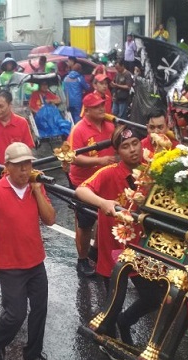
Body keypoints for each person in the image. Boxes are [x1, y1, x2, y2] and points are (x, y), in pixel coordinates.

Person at [75, 126, 166, 360]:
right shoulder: (108, 173)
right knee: (113, 302)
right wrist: (102, 201)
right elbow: (81, 190)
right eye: (125, 146)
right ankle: (109, 340)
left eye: (135, 143)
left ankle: (126, 322)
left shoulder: (152, 171)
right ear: (118, 151)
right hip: (114, 249)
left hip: (143, 247)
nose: (132, 149)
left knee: (155, 296)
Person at [0, 142, 56, 360]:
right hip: (9, 265)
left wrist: (38, 191)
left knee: (40, 310)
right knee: (16, 314)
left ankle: (32, 355)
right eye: (19, 166)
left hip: (35, 261)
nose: (24, 170)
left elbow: (50, 220)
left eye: (28, 164)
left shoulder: (35, 188)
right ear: (7, 167)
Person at [68, 93, 117, 277]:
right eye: (97, 107)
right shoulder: (79, 130)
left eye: (102, 106)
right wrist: (100, 160)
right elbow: (74, 157)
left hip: (106, 180)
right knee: (85, 222)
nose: (102, 109)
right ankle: (82, 260)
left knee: (106, 218)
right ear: (86, 110)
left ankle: (95, 251)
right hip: (85, 184)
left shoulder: (110, 126)